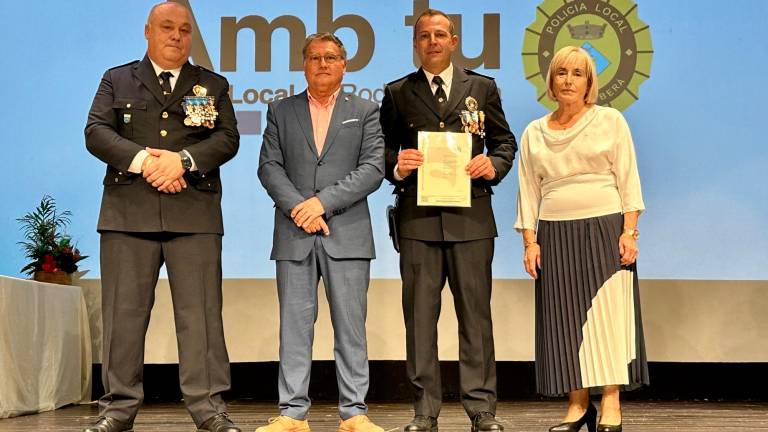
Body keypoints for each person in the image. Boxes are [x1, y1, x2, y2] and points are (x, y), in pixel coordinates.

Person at [84, 2, 240, 432]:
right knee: (124, 316)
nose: (177, 35)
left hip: (194, 215)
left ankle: (209, 409)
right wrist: (146, 162)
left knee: (202, 316)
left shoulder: (212, 83)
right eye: (168, 27)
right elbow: (96, 131)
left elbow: (228, 137)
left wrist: (184, 161)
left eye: (185, 29)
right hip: (128, 213)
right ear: (148, 31)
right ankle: (116, 409)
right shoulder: (117, 79)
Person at [380, 9, 517, 432]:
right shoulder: (399, 92)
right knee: (420, 319)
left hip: (471, 219)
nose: (433, 41)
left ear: (454, 41)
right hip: (418, 221)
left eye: (440, 34)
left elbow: (504, 141)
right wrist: (397, 165)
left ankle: (482, 409)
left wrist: (492, 165)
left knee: (475, 317)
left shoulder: (482, 87)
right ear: (416, 43)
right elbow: (381, 153)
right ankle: (425, 410)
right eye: (424, 36)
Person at [514, 46, 649, 432]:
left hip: (604, 229)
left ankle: (610, 403)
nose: (569, 80)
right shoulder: (534, 132)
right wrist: (530, 241)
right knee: (565, 319)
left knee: (608, 317)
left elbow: (629, 180)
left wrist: (629, 231)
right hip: (555, 232)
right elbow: (528, 192)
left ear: (590, 83)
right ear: (551, 82)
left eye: (578, 73)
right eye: (561, 73)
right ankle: (577, 405)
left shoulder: (610, 121)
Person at [256, 32, 385, 432]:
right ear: (304, 64)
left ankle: (354, 413)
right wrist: (300, 207)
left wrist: (322, 203)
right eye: (315, 58)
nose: (323, 64)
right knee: (294, 327)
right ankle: (293, 413)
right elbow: (269, 167)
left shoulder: (365, 110)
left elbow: (373, 168)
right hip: (294, 233)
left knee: (350, 327)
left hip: (346, 233)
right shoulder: (280, 109)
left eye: (331, 57)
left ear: (345, 65)